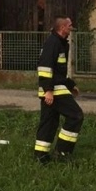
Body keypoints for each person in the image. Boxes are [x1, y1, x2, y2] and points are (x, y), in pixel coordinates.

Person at [34, 16, 84, 163]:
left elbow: (59, 71)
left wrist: (70, 85)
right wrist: (48, 90)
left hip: (53, 88)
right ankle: (62, 153)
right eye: (69, 26)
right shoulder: (53, 43)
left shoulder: (59, 43)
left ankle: (40, 156)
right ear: (62, 28)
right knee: (76, 116)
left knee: (49, 123)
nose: (71, 28)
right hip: (53, 90)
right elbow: (44, 67)